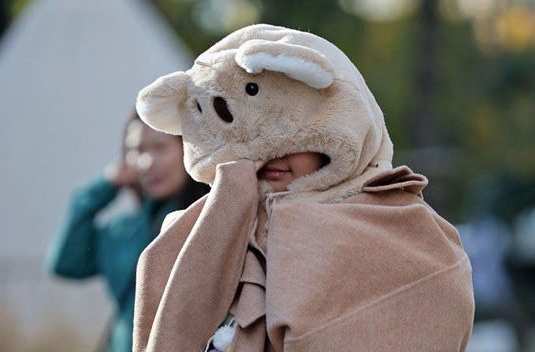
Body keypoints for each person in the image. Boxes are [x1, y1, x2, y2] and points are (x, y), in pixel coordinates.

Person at [131, 24, 475, 351]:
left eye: (285, 143)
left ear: (334, 124)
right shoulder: (200, 231)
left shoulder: (400, 229)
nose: (267, 160)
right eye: (249, 152)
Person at [45, 111, 209, 352]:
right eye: (138, 150)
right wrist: (106, 184)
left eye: (160, 148)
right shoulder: (121, 231)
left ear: (189, 150)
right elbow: (65, 263)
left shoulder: (210, 223)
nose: (147, 162)